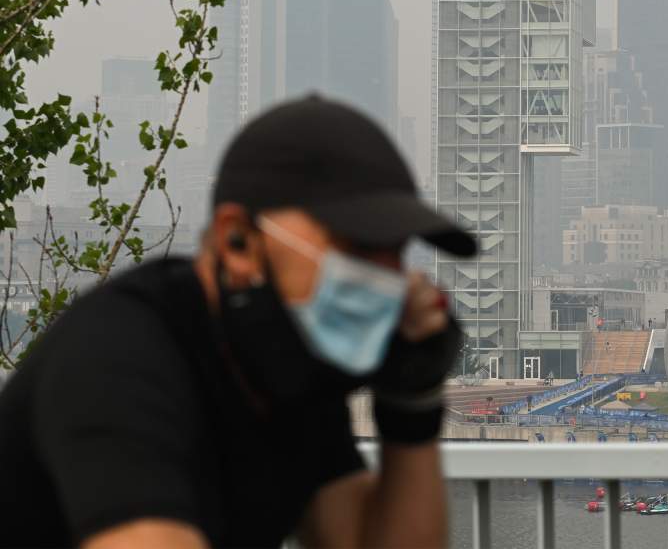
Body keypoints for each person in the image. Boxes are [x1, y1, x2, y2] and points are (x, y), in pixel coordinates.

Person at [0, 97, 477, 548]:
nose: (385, 277)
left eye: (394, 252)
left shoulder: (288, 367)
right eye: (355, 245)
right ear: (237, 242)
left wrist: (412, 403)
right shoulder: (119, 360)